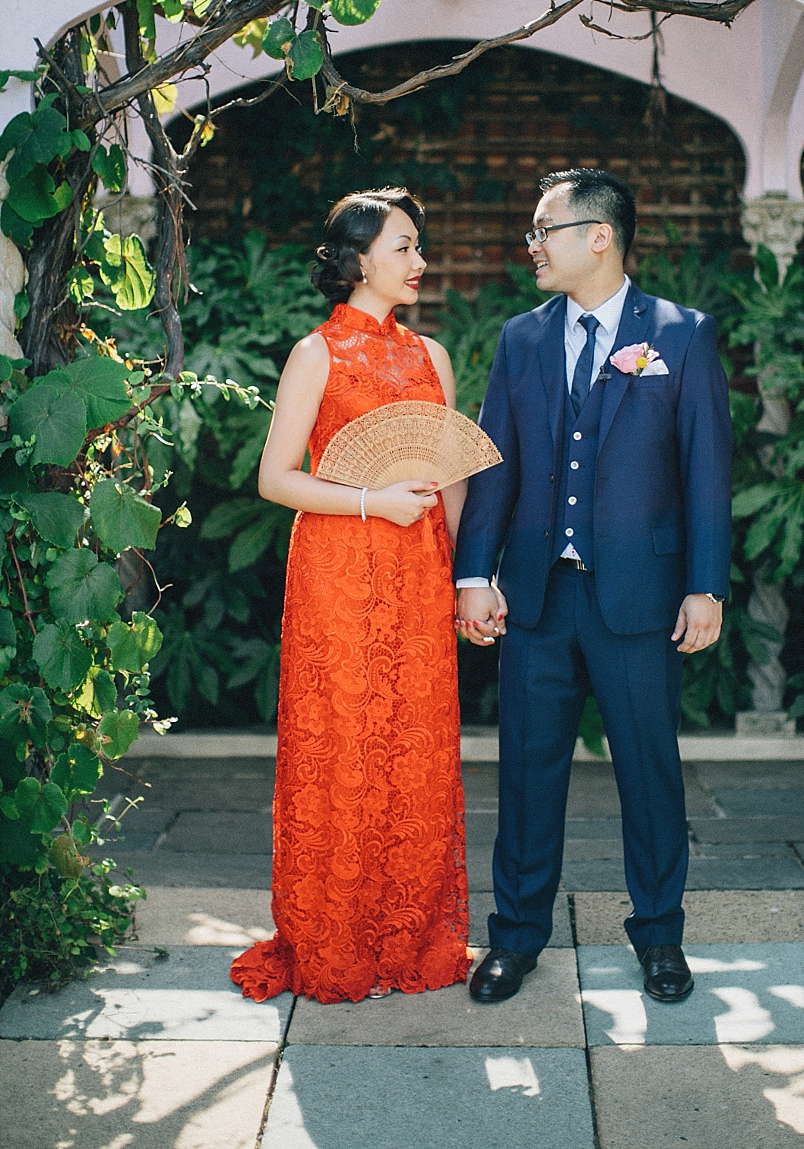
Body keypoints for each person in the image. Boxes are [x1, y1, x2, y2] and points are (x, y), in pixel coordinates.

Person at [455, 169, 732, 1005]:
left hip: (640, 600)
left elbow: (707, 473)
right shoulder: (522, 339)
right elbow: (493, 463)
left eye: (546, 229)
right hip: (536, 598)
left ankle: (659, 939)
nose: (531, 244)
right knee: (526, 775)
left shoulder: (681, 336)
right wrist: (474, 572)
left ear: (599, 235)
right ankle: (515, 939)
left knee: (650, 773)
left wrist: (705, 586)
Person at [230, 187, 470, 1004]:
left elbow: (454, 477)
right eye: (403, 246)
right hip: (340, 567)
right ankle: (334, 938)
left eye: (418, 245)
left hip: (419, 569)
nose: (419, 261)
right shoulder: (317, 354)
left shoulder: (433, 357)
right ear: (359, 259)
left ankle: (409, 932)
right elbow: (276, 478)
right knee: (344, 745)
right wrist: (373, 500)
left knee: (417, 746)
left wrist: (471, 578)